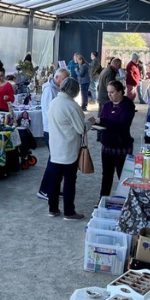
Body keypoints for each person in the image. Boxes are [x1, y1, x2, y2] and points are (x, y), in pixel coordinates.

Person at [38, 77, 90, 220]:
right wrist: (90, 122)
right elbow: (81, 129)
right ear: (74, 91)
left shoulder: (54, 102)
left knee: (55, 180)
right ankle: (69, 211)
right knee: (69, 181)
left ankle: (53, 209)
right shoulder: (72, 106)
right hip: (68, 149)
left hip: (55, 148)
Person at [89, 80, 136, 197]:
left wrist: (103, 122)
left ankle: (127, 200)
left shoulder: (128, 105)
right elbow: (103, 120)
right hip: (107, 146)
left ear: (120, 92)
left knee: (123, 176)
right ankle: (102, 199)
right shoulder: (107, 105)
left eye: (112, 92)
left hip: (121, 146)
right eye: (108, 92)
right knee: (106, 175)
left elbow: (122, 125)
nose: (109, 95)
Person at [38, 68, 70, 199]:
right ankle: (44, 189)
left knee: (56, 160)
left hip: (55, 129)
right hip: (51, 130)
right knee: (53, 161)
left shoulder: (56, 89)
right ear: (57, 78)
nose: (66, 82)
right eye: (65, 80)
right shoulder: (50, 90)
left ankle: (53, 187)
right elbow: (49, 112)